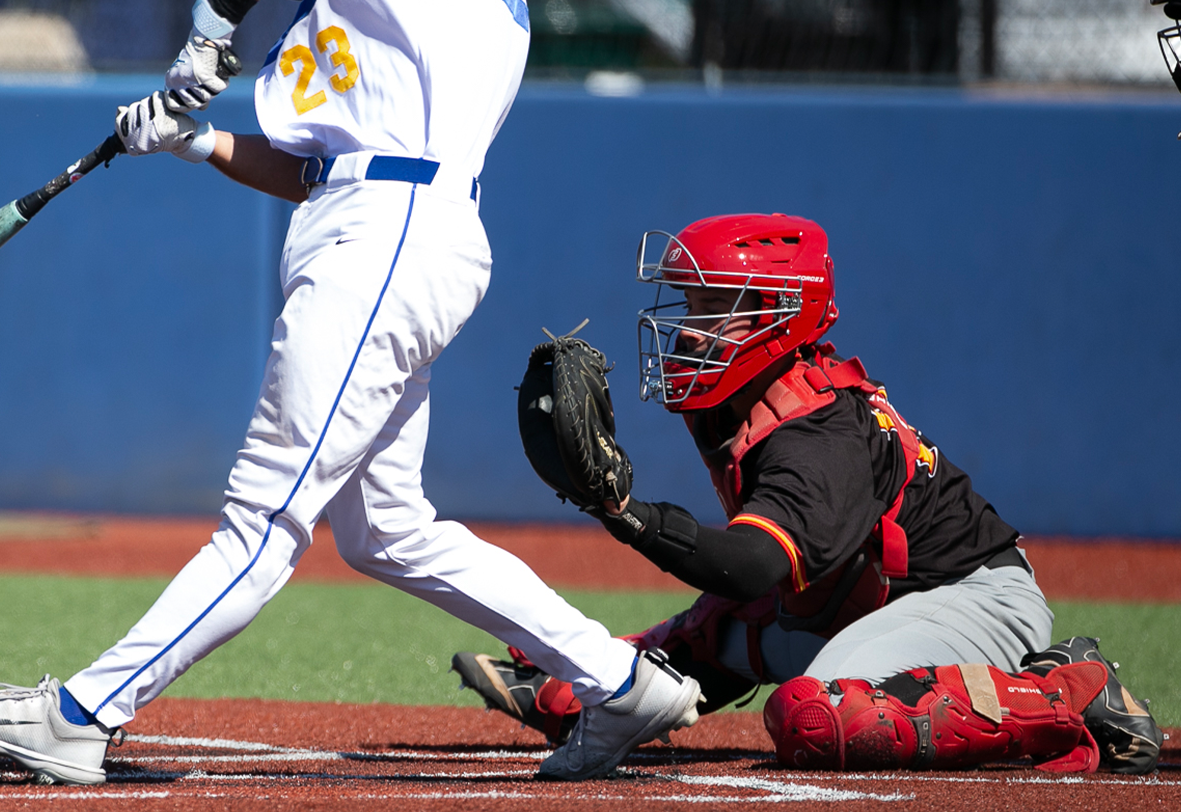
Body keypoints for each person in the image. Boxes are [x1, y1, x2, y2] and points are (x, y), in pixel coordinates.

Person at [0, 0, 702, 786]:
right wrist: (196, 141)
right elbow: (315, 171)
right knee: (387, 531)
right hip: (388, 223)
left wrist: (213, 22)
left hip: (388, 235)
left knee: (264, 518)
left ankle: (81, 715)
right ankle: (619, 680)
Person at [453, 213, 1163, 774]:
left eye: (713, 306)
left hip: (969, 597)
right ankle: (593, 683)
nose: (689, 329)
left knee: (817, 718)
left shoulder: (818, 429)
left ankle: (1070, 691)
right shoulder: (738, 397)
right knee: (722, 631)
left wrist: (626, 515)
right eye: (691, 304)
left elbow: (751, 566)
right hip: (867, 595)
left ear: (779, 312)